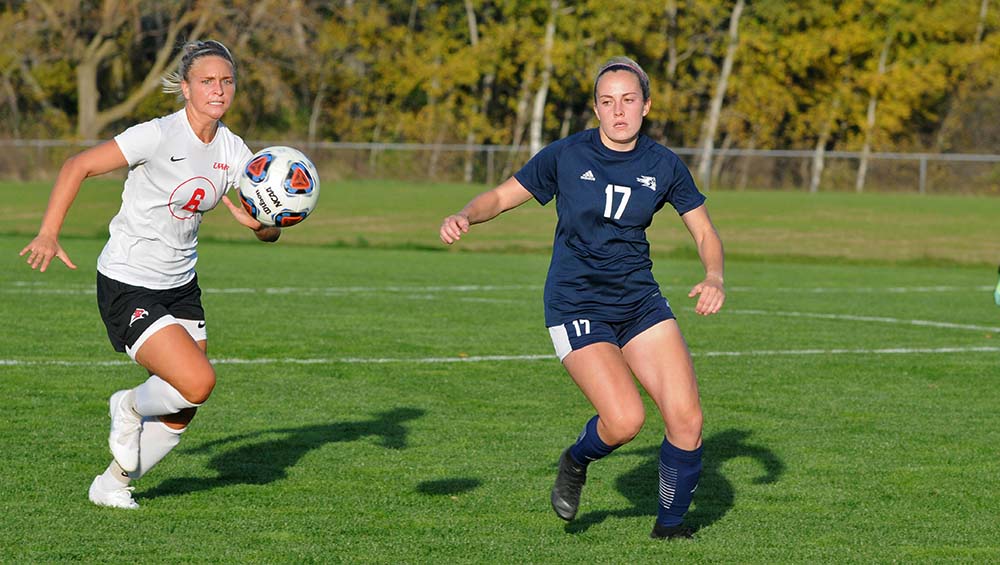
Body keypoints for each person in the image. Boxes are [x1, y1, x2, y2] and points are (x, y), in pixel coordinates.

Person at [439, 56, 725, 539]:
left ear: (647, 106)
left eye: (629, 100)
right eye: (608, 101)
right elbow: (502, 196)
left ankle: (671, 530)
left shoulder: (663, 164)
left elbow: (703, 230)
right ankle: (576, 460)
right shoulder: (566, 155)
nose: (619, 111)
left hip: (639, 301)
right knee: (625, 420)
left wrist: (714, 274)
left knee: (687, 418)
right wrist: (466, 214)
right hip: (577, 302)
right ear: (596, 108)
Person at [19, 40, 279, 509]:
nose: (218, 90)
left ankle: (113, 483)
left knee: (183, 409)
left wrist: (264, 224)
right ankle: (129, 405)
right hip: (128, 280)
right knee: (197, 382)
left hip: (181, 285)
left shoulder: (234, 149)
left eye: (226, 81)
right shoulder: (157, 135)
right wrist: (48, 233)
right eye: (207, 81)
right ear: (185, 88)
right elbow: (77, 165)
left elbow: (267, 230)